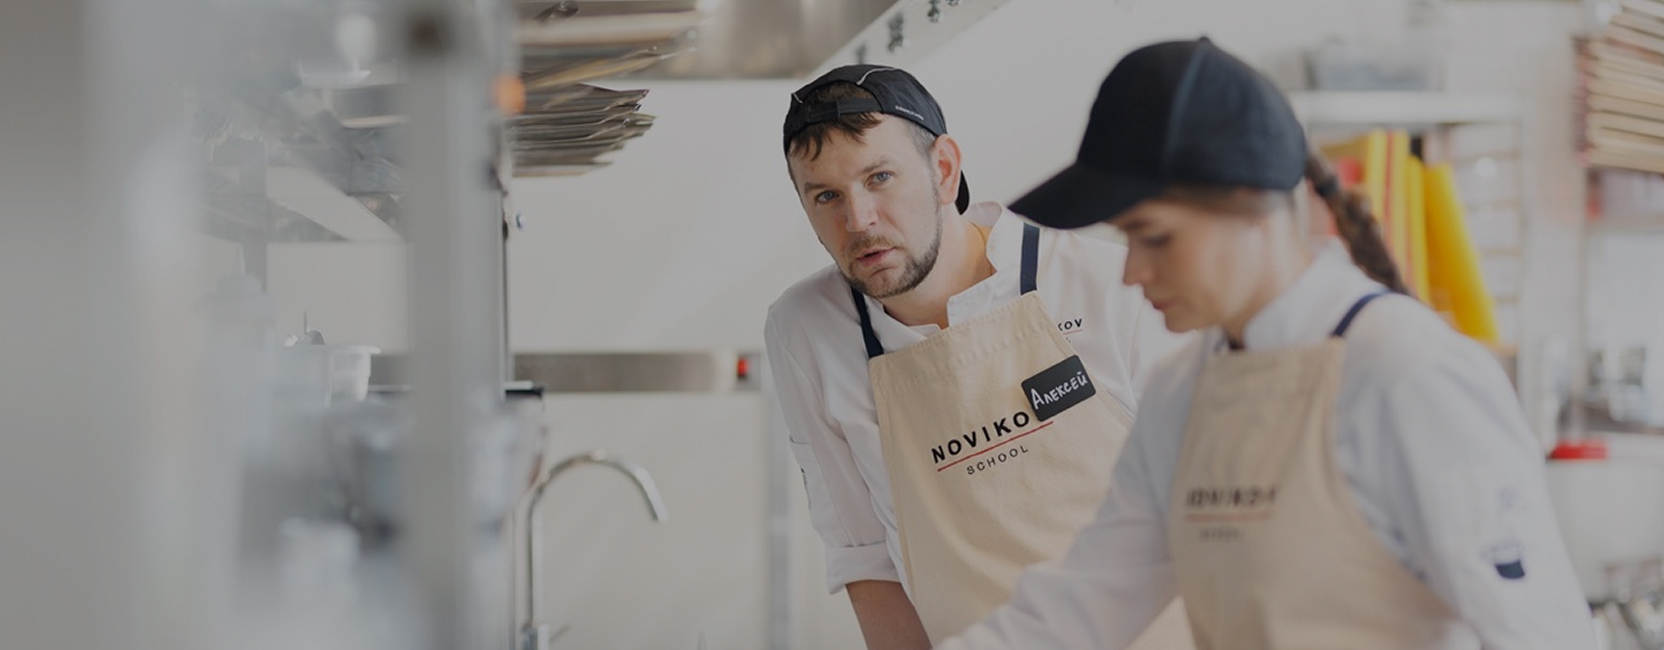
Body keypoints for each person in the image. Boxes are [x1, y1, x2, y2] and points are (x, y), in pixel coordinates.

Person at [934, 37, 1596, 650]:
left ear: (1250, 200)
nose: (1132, 272)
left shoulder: (1407, 373)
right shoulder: (1179, 393)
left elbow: (1541, 635)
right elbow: (1079, 604)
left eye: (1155, 236)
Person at [764, 65, 1193, 650]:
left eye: (880, 178)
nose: (858, 221)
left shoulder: (1108, 285)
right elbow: (864, 556)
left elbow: (1217, 509)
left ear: (943, 169)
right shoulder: (807, 331)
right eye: (826, 196)